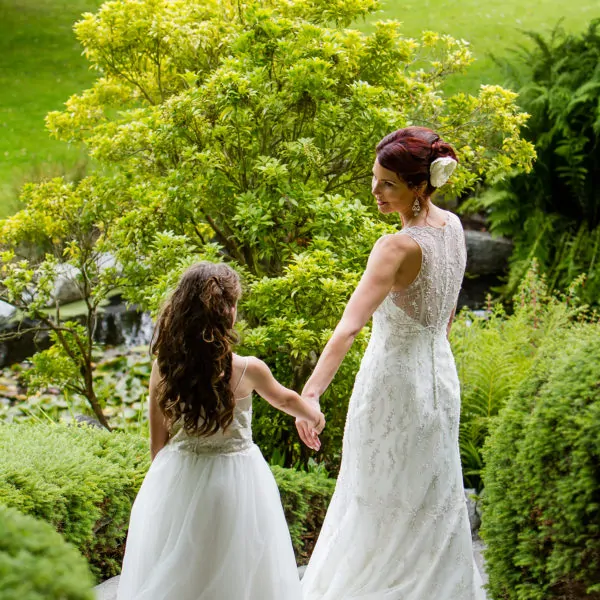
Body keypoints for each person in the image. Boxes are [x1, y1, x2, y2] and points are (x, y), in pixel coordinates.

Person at [297, 127, 486, 599]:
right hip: (441, 378)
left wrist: (312, 393)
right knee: (430, 494)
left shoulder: (395, 248)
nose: (376, 191)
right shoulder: (456, 228)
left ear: (419, 187)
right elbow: (445, 315)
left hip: (392, 385)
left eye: (388, 184)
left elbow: (348, 327)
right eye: (375, 179)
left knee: (375, 495)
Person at [116, 262, 325, 600]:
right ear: (227, 312)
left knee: (181, 568)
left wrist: (166, 483)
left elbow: (158, 445)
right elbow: (286, 399)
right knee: (237, 570)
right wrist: (314, 416)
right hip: (236, 481)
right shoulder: (247, 369)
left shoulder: (164, 367)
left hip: (176, 476)